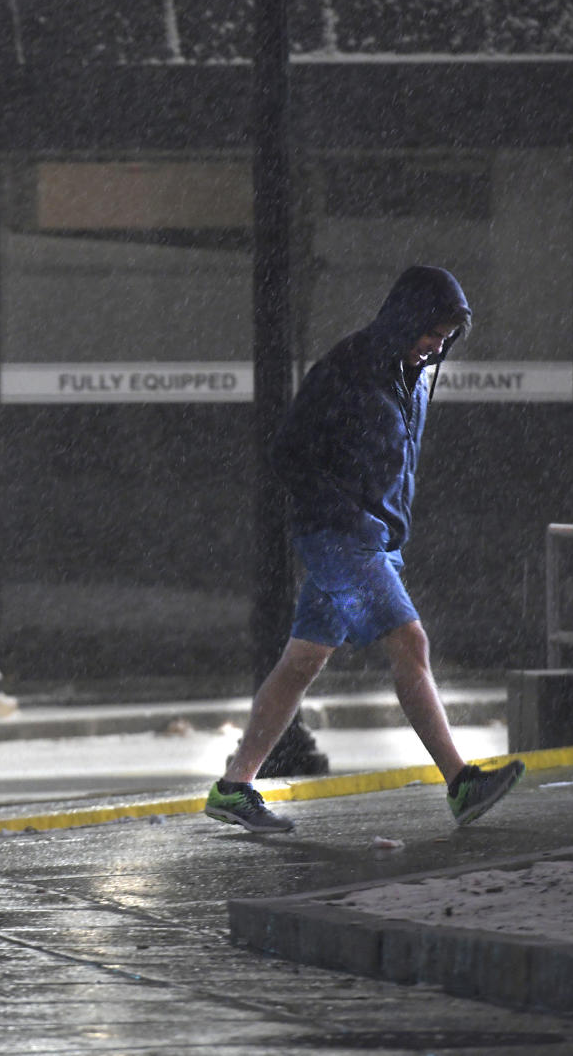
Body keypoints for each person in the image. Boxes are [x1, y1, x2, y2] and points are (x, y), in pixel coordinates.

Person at [204, 265, 524, 833]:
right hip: (341, 538)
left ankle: (234, 787)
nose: (438, 345)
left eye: (447, 336)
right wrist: (341, 512)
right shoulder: (347, 369)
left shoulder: (410, 376)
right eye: (433, 331)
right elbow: (288, 453)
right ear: (407, 319)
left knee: (301, 662)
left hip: (370, 538)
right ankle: (460, 783)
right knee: (410, 641)